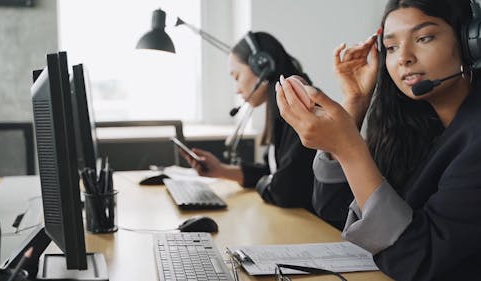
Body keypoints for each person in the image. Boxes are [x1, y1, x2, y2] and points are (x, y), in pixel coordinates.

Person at [276, 0, 481, 279]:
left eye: (423, 38)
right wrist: (355, 104)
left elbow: (421, 259)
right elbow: (335, 210)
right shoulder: (418, 126)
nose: (403, 58)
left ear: (471, 41)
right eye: (392, 47)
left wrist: (348, 147)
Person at [182, 31, 317, 209]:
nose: (237, 89)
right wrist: (221, 170)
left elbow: (285, 190)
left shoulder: (302, 107)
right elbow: (274, 173)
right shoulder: (282, 108)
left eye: (236, 77)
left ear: (263, 67)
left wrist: (267, 184)